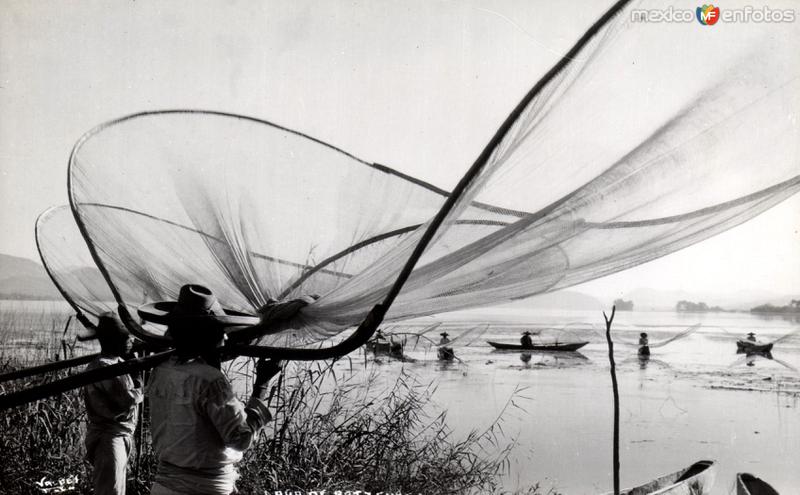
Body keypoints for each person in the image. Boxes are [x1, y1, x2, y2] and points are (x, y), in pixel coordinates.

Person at [140, 284, 284, 495]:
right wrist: (261, 385)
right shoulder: (211, 381)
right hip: (204, 488)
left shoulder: (161, 371)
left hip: (163, 486)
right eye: (220, 332)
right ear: (206, 337)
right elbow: (239, 440)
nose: (225, 338)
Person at [83, 312, 144, 495]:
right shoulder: (104, 366)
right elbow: (127, 401)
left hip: (118, 435)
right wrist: (139, 380)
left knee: (116, 489)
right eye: (126, 338)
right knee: (111, 491)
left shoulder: (115, 362)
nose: (130, 342)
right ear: (114, 341)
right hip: (109, 439)